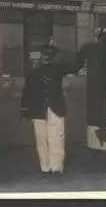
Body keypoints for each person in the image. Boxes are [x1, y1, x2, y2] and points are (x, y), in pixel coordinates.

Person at [20, 42, 87, 176]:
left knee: (44, 138)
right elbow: (75, 67)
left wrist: (25, 111)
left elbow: (26, 93)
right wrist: (83, 52)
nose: (46, 58)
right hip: (54, 107)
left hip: (39, 109)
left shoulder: (33, 73)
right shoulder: (57, 70)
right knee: (53, 137)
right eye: (46, 55)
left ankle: (48, 167)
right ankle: (54, 167)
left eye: (48, 56)